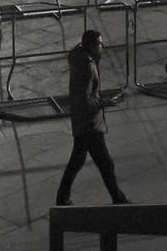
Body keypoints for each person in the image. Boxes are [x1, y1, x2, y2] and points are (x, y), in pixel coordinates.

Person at [54, 29, 128, 207]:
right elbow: (85, 100)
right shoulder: (87, 67)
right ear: (91, 46)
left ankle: (62, 198)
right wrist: (106, 103)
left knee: (77, 161)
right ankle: (118, 199)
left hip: (82, 122)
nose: (103, 47)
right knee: (106, 164)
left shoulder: (80, 59)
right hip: (90, 124)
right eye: (100, 44)